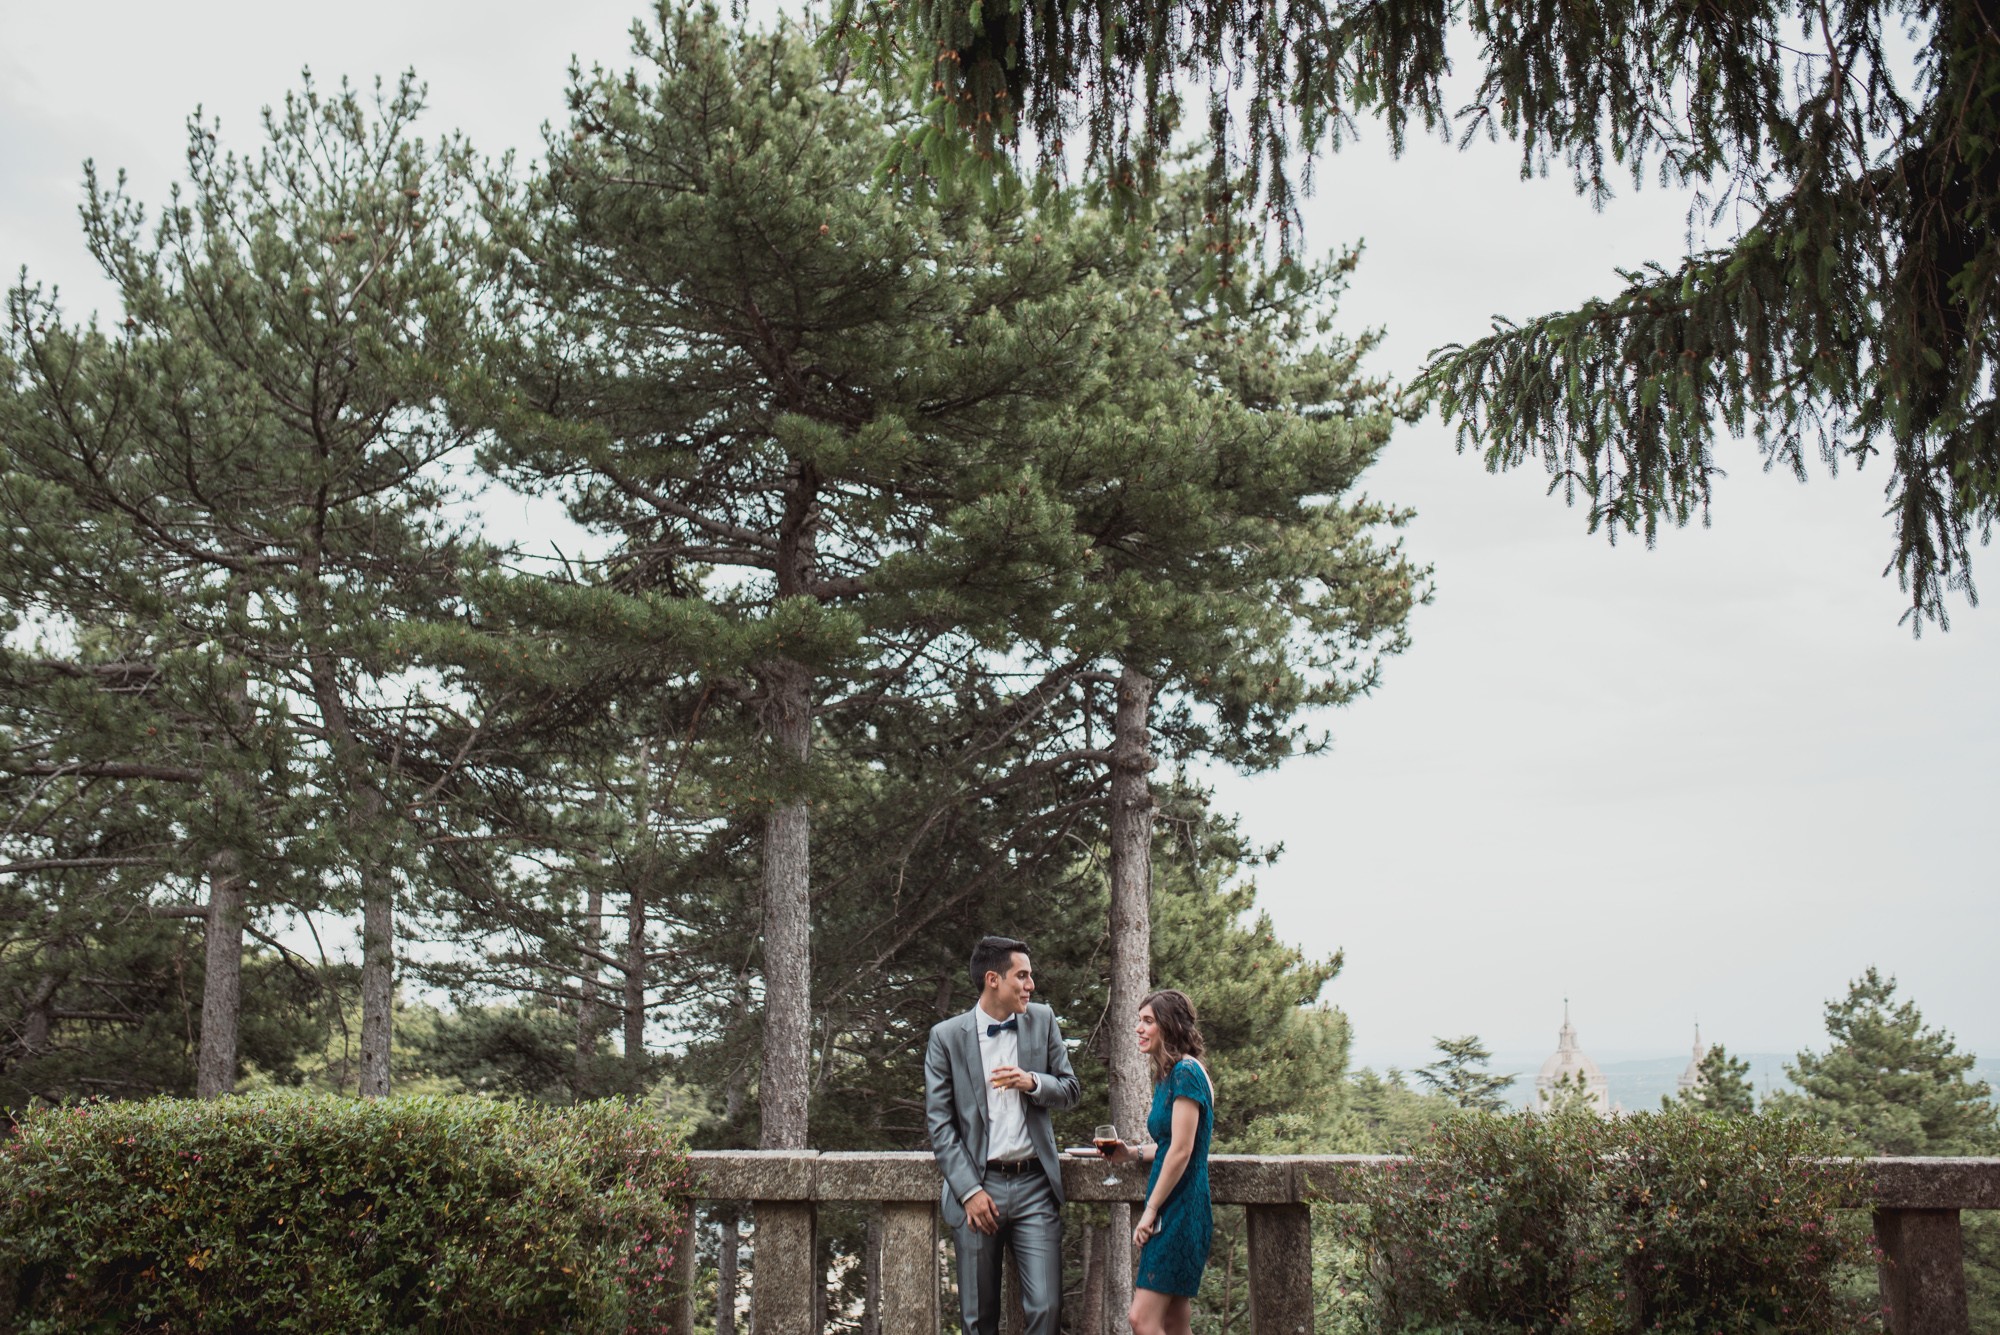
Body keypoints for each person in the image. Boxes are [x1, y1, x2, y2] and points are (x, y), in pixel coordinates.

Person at [924, 935, 1082, 1335]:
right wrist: (968, 1191)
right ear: (993, 979)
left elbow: (1070, 1089)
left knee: (1046, 1309)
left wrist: (1032, 1082)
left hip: (1035, 1188)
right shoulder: (946, 1037)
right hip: (980, 1187)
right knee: (978, 1319)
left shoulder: (1043, 1020)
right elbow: (940, 1123)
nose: (1031, 985)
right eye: (1023, 976)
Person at [1107, 988, 1214, 1335]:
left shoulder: (1186, 1073)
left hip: (1180, 1210)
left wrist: (1150, 1211)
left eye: (1148, 1021)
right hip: (1175, 1205)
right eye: (1139, 1020)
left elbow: (1183, 1151)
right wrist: (1130, 1153)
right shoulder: (1168, 1076)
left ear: (1169, 1026)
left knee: (1142, 1318)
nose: (1139, 1028)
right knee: (1173, 1320)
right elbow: (1169, 1145)